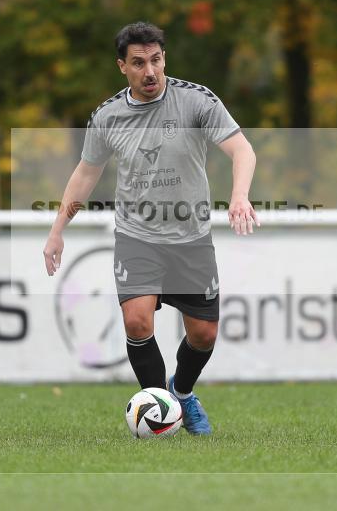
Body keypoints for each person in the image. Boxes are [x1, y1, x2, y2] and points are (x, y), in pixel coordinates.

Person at [43, 22, 258, 435]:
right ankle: (160, 412)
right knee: (138, 323)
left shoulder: (196, 101)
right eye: (139, 63)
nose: (150, 71)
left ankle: (182, 392)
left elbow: (242, 149)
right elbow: (86, 174)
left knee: (204, 335)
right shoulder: (107, 116)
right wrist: (58, 228)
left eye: (156, 60)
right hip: (137, 237)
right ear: (122, 66)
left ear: (164, 59)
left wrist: (240, 196)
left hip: (191, 239)